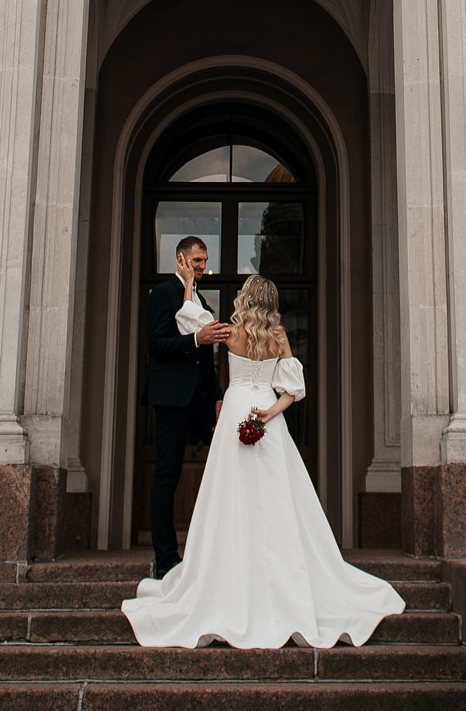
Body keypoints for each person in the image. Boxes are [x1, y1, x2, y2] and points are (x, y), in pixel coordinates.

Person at [123, 274, 405, 649]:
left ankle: (224, 579)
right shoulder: (280, 337)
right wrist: (270, 413)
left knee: (229, 498)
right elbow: (294, 389)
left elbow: (188, 316)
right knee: (277, 499)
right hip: (265, 416)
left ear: (245, 298)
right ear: (272, 302)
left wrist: (189, 283)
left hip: (235, 411)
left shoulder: (230, 331)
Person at [143, 235, 228, 580]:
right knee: (167, 474)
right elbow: (156, 343)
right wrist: (196, 339)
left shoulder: (201, 299)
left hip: (202, 401)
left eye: (205, 261)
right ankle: (166, 559)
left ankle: (219, 551)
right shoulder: (162, 294)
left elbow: (208, 359)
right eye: (197, 261)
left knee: (226, 465)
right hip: (171, 398)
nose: (202, 268)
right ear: (179, 260)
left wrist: (220, 396)